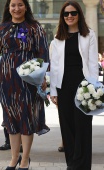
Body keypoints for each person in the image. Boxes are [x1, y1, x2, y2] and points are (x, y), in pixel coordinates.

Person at [0, 0, 50, 169]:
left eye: (20, 5)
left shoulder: (34, 27)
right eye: (13, 5)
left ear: (26, 7)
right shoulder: (2, 28)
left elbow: (43, 52)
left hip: (28, 79)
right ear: (9, 8)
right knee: (11, 119)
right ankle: (14, 158)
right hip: (6, 79)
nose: (16, 8)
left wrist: (43, 76)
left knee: (26, 118)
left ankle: (25, 159)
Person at [50, 1, 98, 170]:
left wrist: (95, 89)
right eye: (66, 13)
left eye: (73, 13)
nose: (69, 16)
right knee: (67, 126)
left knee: (83, 126)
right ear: (62, 17)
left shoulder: (89, 34)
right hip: (63, 87)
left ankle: (81, 165)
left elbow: (93, 63)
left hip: (84, 87)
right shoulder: (57, 39)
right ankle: (72, 164)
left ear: (79, 15)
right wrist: (53, 91)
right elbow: (54, 67)